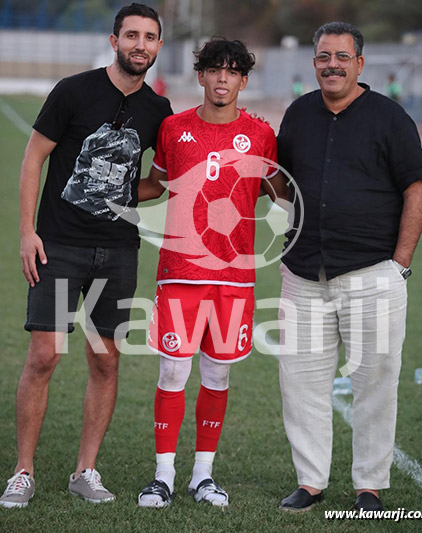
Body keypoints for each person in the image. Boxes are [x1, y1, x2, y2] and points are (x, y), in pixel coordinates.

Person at [0, 3, 172, 509]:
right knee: (45, 355)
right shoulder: (74, 90)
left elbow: (154, 184)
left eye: (150, 37)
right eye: (132, 35)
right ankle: (22, 471)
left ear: (159, 46)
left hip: (118, 251)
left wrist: (119, 194)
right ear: (115, 39)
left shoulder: (158, 112)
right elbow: (34, 157)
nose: (141, 44)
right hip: (60, 245)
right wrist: (27, 231)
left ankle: (85, 471)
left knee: (105, 359)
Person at [276, 22, 422, 513]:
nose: (332, 65)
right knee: (300, 385)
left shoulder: (389, 117)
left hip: (373, 275)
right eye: (324, 57)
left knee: (375, 386)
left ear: (359, 64)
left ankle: (369, 485)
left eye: (342, 57)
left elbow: (417, 188)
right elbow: (281, 181)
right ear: (315, 63)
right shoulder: (298, 113)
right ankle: (311, 482)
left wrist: (400, 265)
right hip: (303, 275)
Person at [136, 37, 288, 508]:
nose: (223, 78)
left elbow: (279, 191)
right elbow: (156, 186)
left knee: (217, 377)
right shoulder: (172, 128)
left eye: (233, 71)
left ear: (244, 80)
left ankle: (202, 475)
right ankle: (163, 475)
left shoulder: (262, 135)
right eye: (214, 70)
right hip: (179, 272)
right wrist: (102, 196)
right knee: (172, 371)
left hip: (234, 277)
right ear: (200, 76)